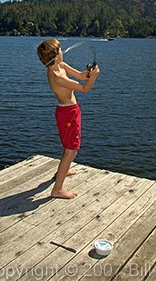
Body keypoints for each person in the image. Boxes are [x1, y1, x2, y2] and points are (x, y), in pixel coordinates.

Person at [37, 38, 100, 199]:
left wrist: (88, 73)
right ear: (55, 55)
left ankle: (61, 172)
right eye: (60, 50)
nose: (62, 51)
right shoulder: (57, 75)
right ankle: (57, 189)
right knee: (72, 150)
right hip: (68, 114)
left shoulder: (61, 66)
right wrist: (94, 77)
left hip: (68, 112)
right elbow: (84, 88)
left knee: (68, 146)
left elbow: (80, 76)